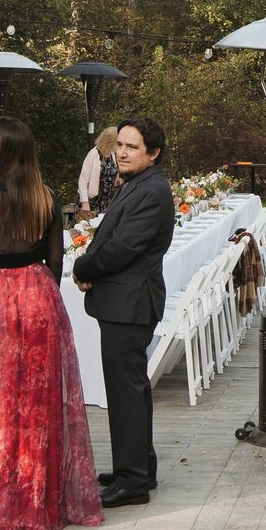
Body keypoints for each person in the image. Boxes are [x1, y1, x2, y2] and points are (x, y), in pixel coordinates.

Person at [0, 117, 103, 530]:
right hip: (37, 298)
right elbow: (55, 261)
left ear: (5, 149)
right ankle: (36, 500)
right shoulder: (45, 197)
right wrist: (36, 293)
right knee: (35, 404)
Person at [72, 116, 174, 508]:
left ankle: (132, 481)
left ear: (154, 153)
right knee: (131, 390)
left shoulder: (151, 191)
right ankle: (138, 467)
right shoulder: (139, 184)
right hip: (122, 303)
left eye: (133, 147)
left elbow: (121, 248)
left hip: (130, 305)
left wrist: (84, 268)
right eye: (121, 146)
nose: (123, 152)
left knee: (127, 392)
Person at [76, 125, 120, 215]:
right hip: (93, 202)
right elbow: (82, 181)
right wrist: (85, 203)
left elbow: (112, 174)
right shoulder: (93, 154)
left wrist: (117, 180)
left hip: (108, 201)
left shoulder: (112, 154)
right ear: (111, 140)